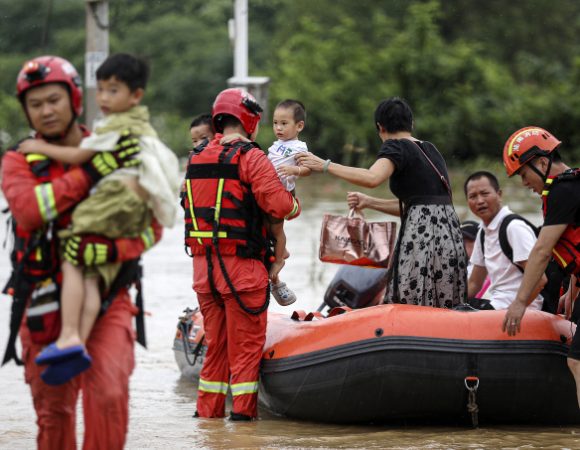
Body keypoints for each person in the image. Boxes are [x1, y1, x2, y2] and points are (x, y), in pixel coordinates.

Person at [1, 55, 163, 449]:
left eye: (54, 100)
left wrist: (110, 247)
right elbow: (29, 210)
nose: (46, 111)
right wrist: (90, 172)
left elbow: (153, 225)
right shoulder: (17, 161)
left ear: (73, 99)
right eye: (35, 104)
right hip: (41, 304)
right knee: (54, 413)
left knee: (108, 394)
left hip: (109, 297)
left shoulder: (118, 147)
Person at [16, 53, 179, 383]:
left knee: (73, 256)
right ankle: (76, 340)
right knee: (90, 274)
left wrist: (39, 148)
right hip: (125, 218)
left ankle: (72, 334)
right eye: (101, 90)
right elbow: (28, 210)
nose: (103, 98)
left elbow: (78, 157)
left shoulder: (110, 132)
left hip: (111, 212)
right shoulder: (138, 128)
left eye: (113, 91)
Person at [182, 88, 300, 420]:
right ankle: (244, 423)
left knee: (215, 347)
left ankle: (208, 421)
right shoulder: (250, 156)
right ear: (249, 119)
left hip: (204, 270)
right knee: (246, 350)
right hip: (242, 271)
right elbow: (280, 205)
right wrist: (295, 204)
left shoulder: (197, 155)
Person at [297, 97, 467, 307]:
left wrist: (325, 165)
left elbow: (372, 178)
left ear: (380, 127)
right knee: (442, 300)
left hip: (422, 235)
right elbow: (418, 207)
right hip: (448, 231)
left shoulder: (395, 147)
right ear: (411, 124)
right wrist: (369, 202)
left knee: (409, 300)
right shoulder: (430, 149)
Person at [501, 126, 580, 406]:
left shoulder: (563, 190)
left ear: (543, 162)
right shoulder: (570, 187)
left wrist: (520, 302)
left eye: (523, 173)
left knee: (578, 363)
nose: (524, 182)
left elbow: (542, 251)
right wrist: (573, 292)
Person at [464, 171, 545, 310]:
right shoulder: (483, 233)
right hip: (497, 304)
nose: (479, 201)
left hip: (522, 309)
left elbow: (540, 279)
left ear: (499, 194)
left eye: (484, 193)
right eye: (473, 196)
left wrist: (518, 307)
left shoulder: (514, 228)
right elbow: (474, 283)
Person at [266, 99, 312, 305]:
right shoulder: (276, 145)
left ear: (299, 126)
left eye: (284, 123)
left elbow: (309, 169)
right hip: (269, 192)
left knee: (276, 230)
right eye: (276, 123)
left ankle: (279, 260)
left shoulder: (299, 147)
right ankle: (280, 250)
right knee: (267, 229)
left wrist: (295, 170)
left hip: (283, 195)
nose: (278, 128)